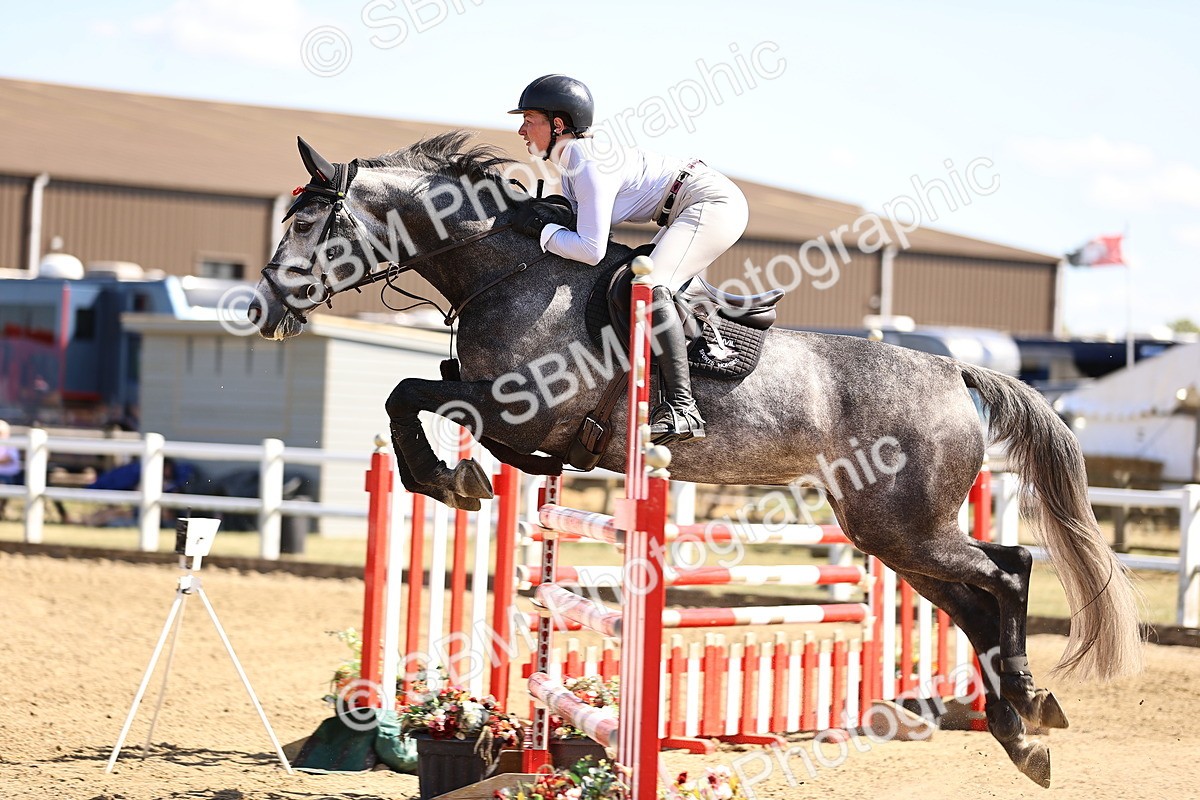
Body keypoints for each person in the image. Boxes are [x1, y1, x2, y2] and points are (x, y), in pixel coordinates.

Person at [508, 74, 749, 445]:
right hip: (685, 205)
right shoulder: (573, 162)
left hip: (709, 203)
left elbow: (590, 249)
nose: (522, 130)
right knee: (634, 275)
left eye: (529, 119)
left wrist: (539, 231)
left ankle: (683, 408)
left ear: (558, 124)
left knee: (648, 287)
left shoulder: (584, 161)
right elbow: (576, 228)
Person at [0, 420, 20, 519]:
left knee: (4, 483)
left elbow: (8, 459)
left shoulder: (10, 443)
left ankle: (1, 510)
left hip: (9, 475)